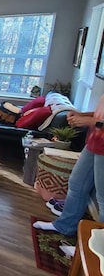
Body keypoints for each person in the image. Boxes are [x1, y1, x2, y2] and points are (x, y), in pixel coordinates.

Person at [33, 94, 104, 235]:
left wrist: (90, 121)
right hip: (94, 142)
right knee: (77, 185)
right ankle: (65, 226)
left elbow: (98, 121)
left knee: (102, 199)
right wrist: (82, 115)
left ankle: (95, 248)